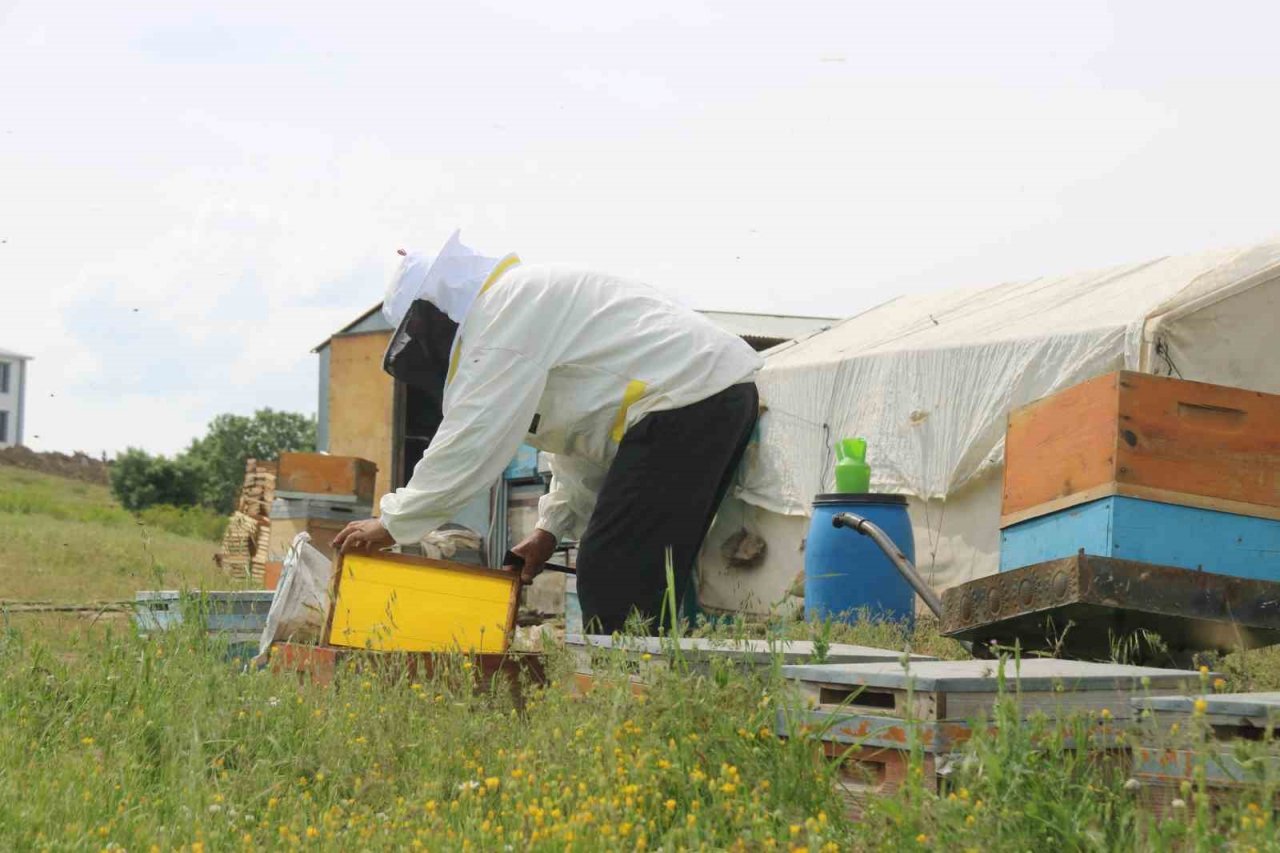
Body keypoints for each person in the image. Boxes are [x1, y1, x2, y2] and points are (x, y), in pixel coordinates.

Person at [333, 230, 762, 634]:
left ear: (435, 310)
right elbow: (579, 439)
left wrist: (393, 522)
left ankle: (630, 693)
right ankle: (662, 686)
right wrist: (549, 530)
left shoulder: (505, 315)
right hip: (702, 398)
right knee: (651, 568)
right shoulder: (518, 313)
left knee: (613, 570)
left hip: (689, 401)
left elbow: (470, 438)